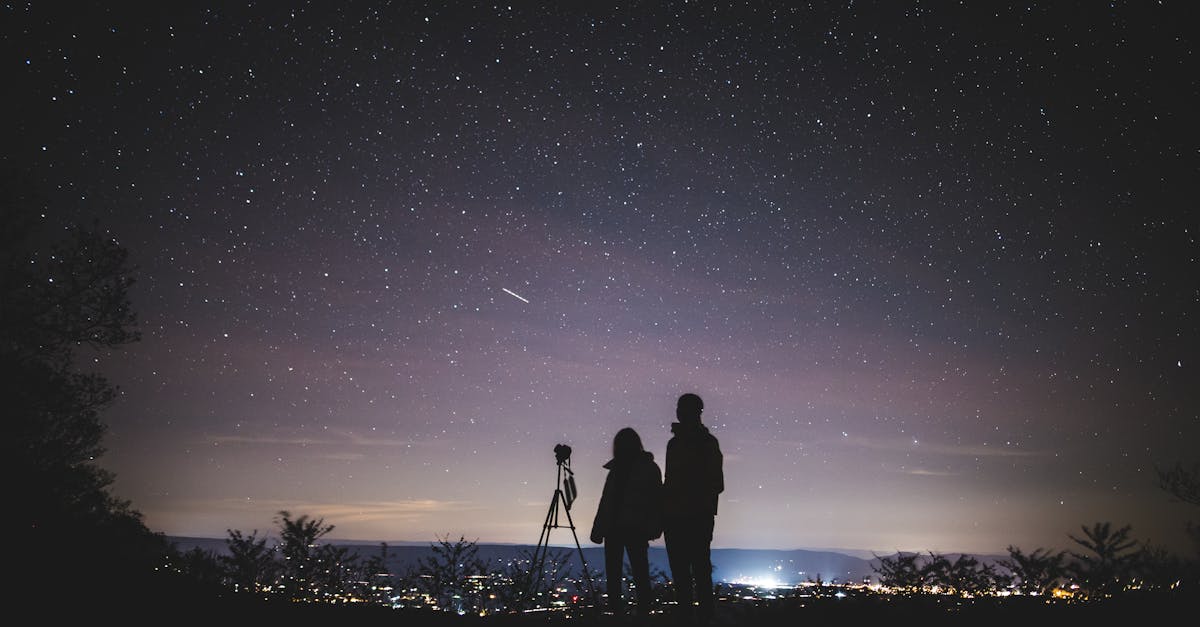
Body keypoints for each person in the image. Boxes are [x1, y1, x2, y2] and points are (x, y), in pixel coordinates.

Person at [663, 393, 723, 624]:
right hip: (688, 516)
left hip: (692, 516)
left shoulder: (701, 444)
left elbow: (716, 483)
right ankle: (694, 618)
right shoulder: (679, 444)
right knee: (692, 572)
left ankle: (698, 618)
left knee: (694, 572)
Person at [590, 427, 663, 618]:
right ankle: (634, 614)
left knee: (627, 574)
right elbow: (607, 501)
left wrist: (598, 528)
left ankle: (629, 614)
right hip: (628, 528)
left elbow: (606, 502)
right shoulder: (646, 468)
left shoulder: (624, 470)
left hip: (628, 528)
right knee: (635, 573)